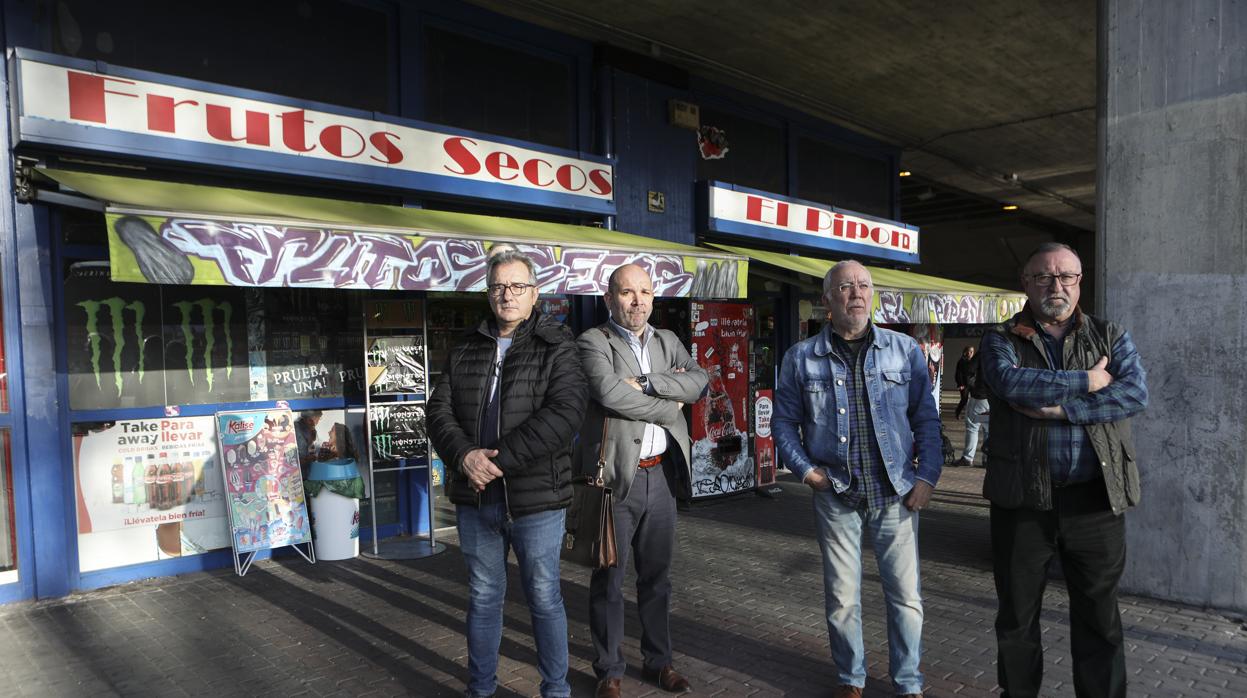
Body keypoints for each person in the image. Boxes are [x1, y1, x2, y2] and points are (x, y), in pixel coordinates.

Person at [978, 242, 1147, 698]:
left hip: (1095, 502)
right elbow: (1010, 382)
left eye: (1067, 276)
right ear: (1026, 284)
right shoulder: (1000, 338)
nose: (1057, 286)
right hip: (1023, 502)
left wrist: (1062, 412)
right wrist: (1088, 382)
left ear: (1079, 282)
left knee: (1100, 621)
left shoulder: (1110, 335)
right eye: (1044, 277)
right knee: (1017, 620)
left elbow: (1134, 394)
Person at [773, 261, 942, 698]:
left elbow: (926, 418)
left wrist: (927, 476)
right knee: (843, 598)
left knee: (906, 597)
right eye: (845, 286)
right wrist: (806, 471)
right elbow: (784, 423)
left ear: (874, 295)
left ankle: (908, 682)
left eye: (863, 285)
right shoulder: (800, 357)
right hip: (837, 493)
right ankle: (851, 678)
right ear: (827, 299)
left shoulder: (904, 350)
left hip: (897, 493)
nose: (856, 293)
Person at [426, 249, 587, 698]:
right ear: (488, 292)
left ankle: (556, 690)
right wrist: (464, 458)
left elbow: (565, 415)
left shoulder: (558, 345)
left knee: (543, 597)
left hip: (536, 500)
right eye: (499, 286)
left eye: (517, 286)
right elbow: (437, 411)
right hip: (478, 499)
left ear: (535, 294)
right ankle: (481, 689)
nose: (507, 295)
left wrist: (494, 462)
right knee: (482, 596)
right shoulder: (466, 346)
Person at [577, 263, 708, 698]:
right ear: (609, 298)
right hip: (616, 480)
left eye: (645, 292)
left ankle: (659, 662)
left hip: (661, 478)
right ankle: (609, 670)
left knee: (658, 579)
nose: (638, 301)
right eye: (628, 293)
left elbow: (698, 381)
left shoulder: (667, 340)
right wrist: (669, 407)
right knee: (609, 578)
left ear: (654, 297)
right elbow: (609, 392)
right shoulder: (593, 341)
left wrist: (649, 383)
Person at [956, 350, 990, 467]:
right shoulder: (1004, 350)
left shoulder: (983, 352)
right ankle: (987, 459)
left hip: (980, 395)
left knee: (972, 426)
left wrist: (971, 384)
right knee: (988, 428)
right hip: (994, 397)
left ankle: (968, 457)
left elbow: (969, 368)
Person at [953, 346, 974, 419]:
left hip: (972, 384)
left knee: (974, 400)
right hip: (964, 384)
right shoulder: (961, 361)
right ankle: (957, 412)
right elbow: (958, 374)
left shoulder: (973, 361)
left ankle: (971, 415)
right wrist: (960, 384)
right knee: (964, 400)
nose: (971, 353)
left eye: (972, 351)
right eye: (970, 351)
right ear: (965, 352)